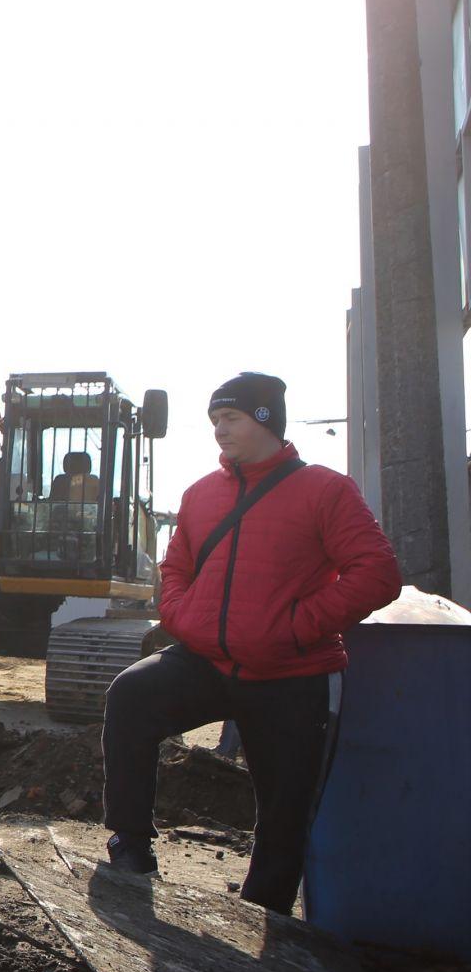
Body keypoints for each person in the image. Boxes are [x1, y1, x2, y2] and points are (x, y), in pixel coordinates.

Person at [100, 372, 400, 914]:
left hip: (290, 675)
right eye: (215, 419)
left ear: (265, 419)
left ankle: (267, 916)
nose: (219, 430)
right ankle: (130, 846)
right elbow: (176, 567)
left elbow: (377, 573)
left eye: (231, 418)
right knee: (131, 695)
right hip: (209, 662)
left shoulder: (326, 490)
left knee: (284, 811)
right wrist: (180, 614)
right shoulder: (200, 495)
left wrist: (292, 628)